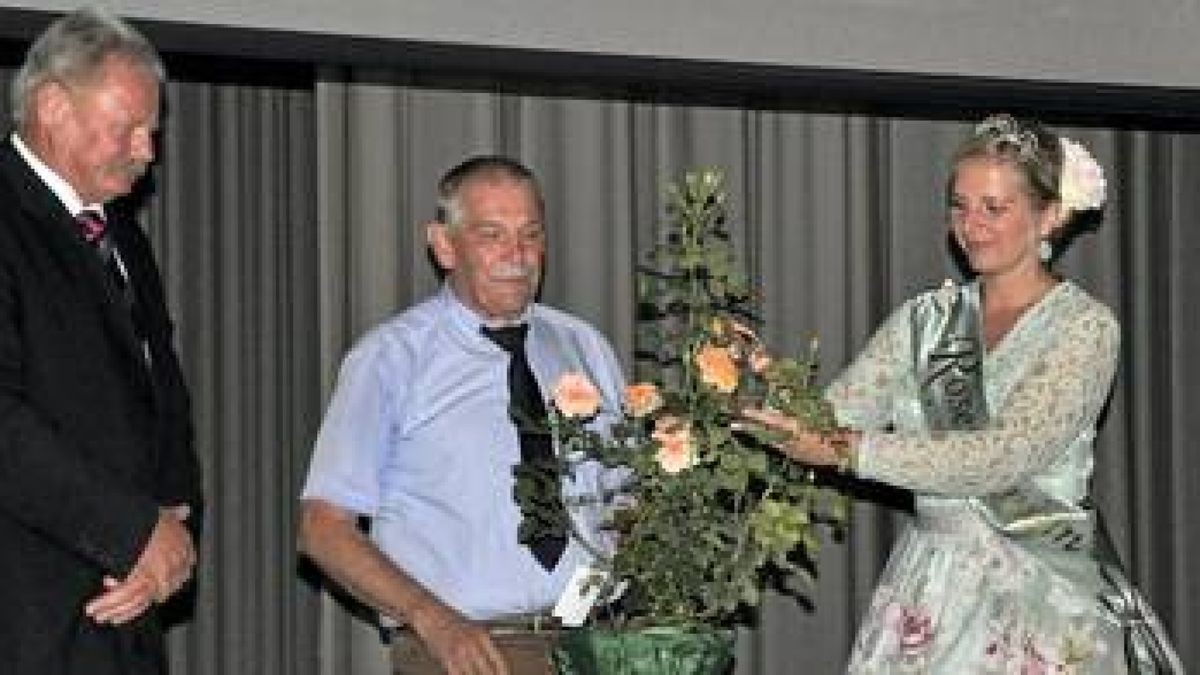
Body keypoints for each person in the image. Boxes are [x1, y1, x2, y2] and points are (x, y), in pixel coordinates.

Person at [744, 115, 1183, 673]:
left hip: (1041, 595)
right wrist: (754, 381)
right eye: (960, 205)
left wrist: (852, 450)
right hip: (932, 585)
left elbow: (1002, 458)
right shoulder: (925, 322)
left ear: (1048, 216)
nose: (971, 225)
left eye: (993, 208)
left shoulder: (1085, 328)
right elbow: (831, 416)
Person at [299, 155, 625, 675]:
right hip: (468, 653)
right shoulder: (390, 360)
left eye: (531, 233)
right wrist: (433, 621)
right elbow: (323, 528)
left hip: (597, 644)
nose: (517, 255)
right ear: (444, 245)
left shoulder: (584, 346)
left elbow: (624, 498)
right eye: (492, 234)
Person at [0, 7, 202, 675]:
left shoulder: (121, 237)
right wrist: (133, 532)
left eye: (153, 130)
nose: (148, 150)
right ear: (53, 106)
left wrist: (172, 535)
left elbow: (160, 399)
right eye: (130, 127)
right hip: (26, 620)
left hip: (119, 619)